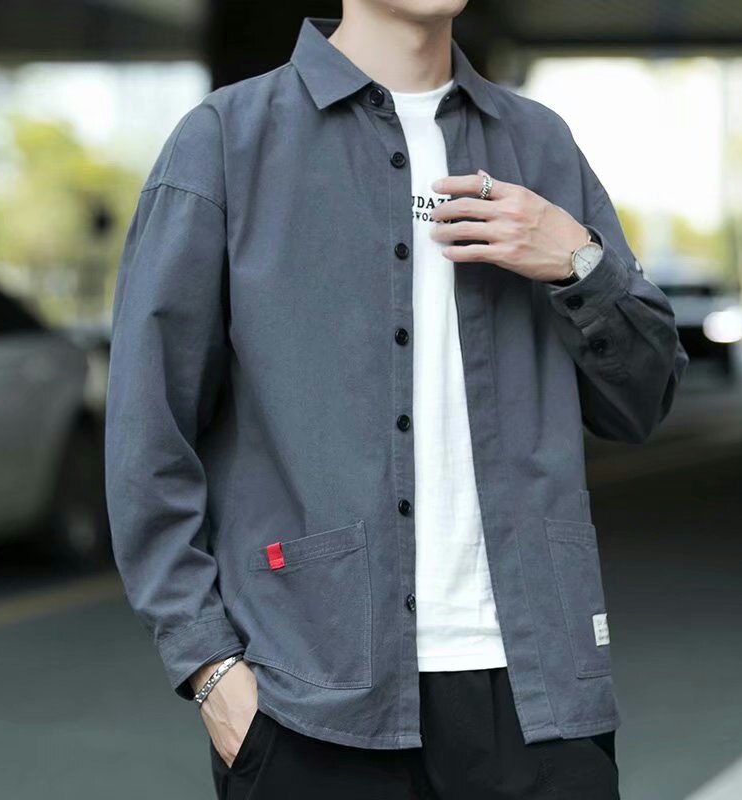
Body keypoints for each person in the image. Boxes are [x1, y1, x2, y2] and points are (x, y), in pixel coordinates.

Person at [104, 3, 689, 799]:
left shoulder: (539, 144)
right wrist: (208, 666)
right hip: (309, 696)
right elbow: (148, 434)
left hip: (539, 690)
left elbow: (642, 401)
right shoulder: (227, 141)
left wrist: (577, 260)